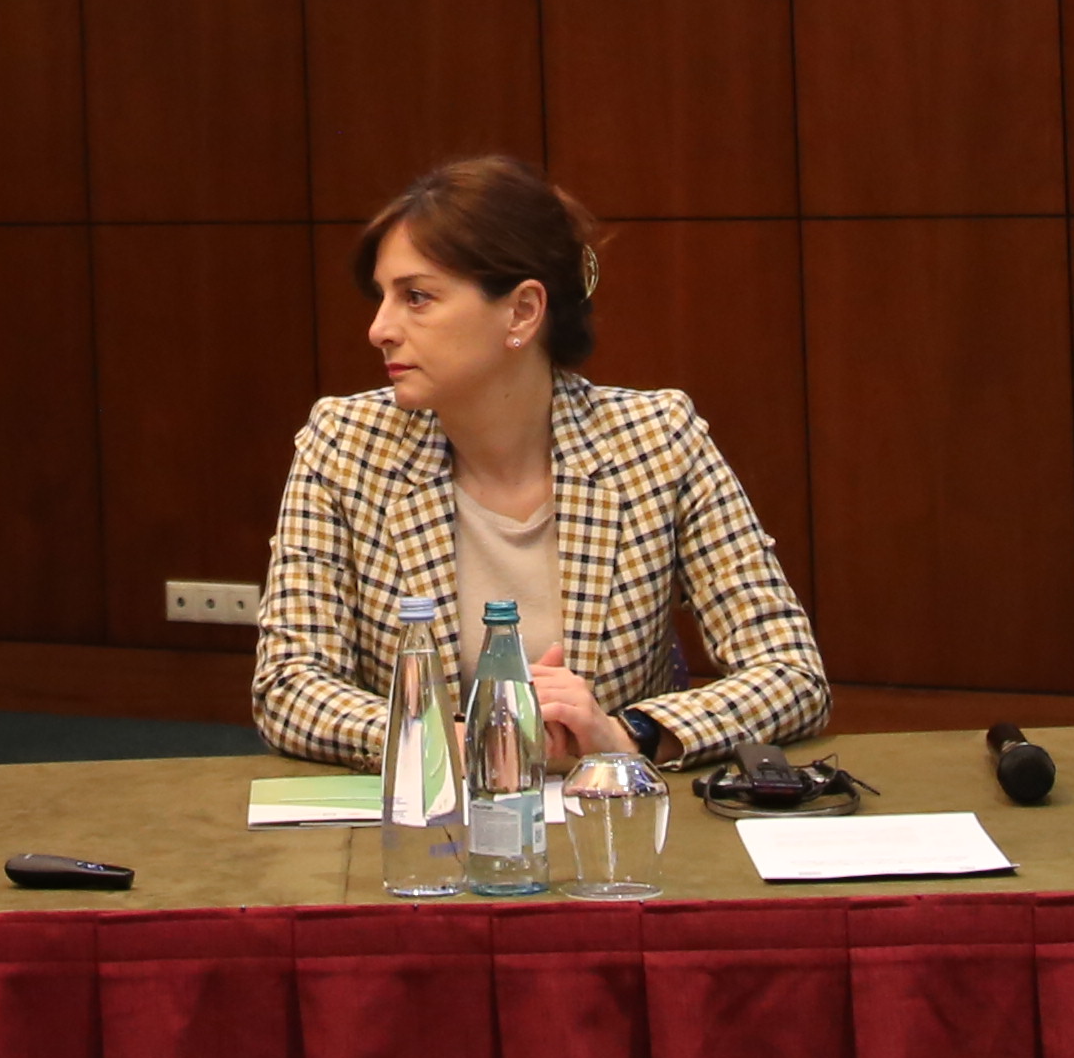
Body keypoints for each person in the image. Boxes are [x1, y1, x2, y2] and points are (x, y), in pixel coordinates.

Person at [251, 154, 827, 771]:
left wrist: (627, 735)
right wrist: (448, 740)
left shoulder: (656, 441)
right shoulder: (346, 445)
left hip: (606, 815)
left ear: (523, 311)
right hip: (428, 816)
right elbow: (289, 685)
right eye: (383, 296)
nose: (379, 329)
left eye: (416, 297)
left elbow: (790, 671)